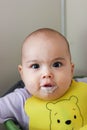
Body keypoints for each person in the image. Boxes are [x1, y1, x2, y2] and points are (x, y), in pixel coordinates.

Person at [0, 28, 87, 130]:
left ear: (71, 70)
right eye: (35, 66)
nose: (47, 74)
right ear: (22, 73)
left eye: (57, 64)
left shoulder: (83, 86)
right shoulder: (20, 100)